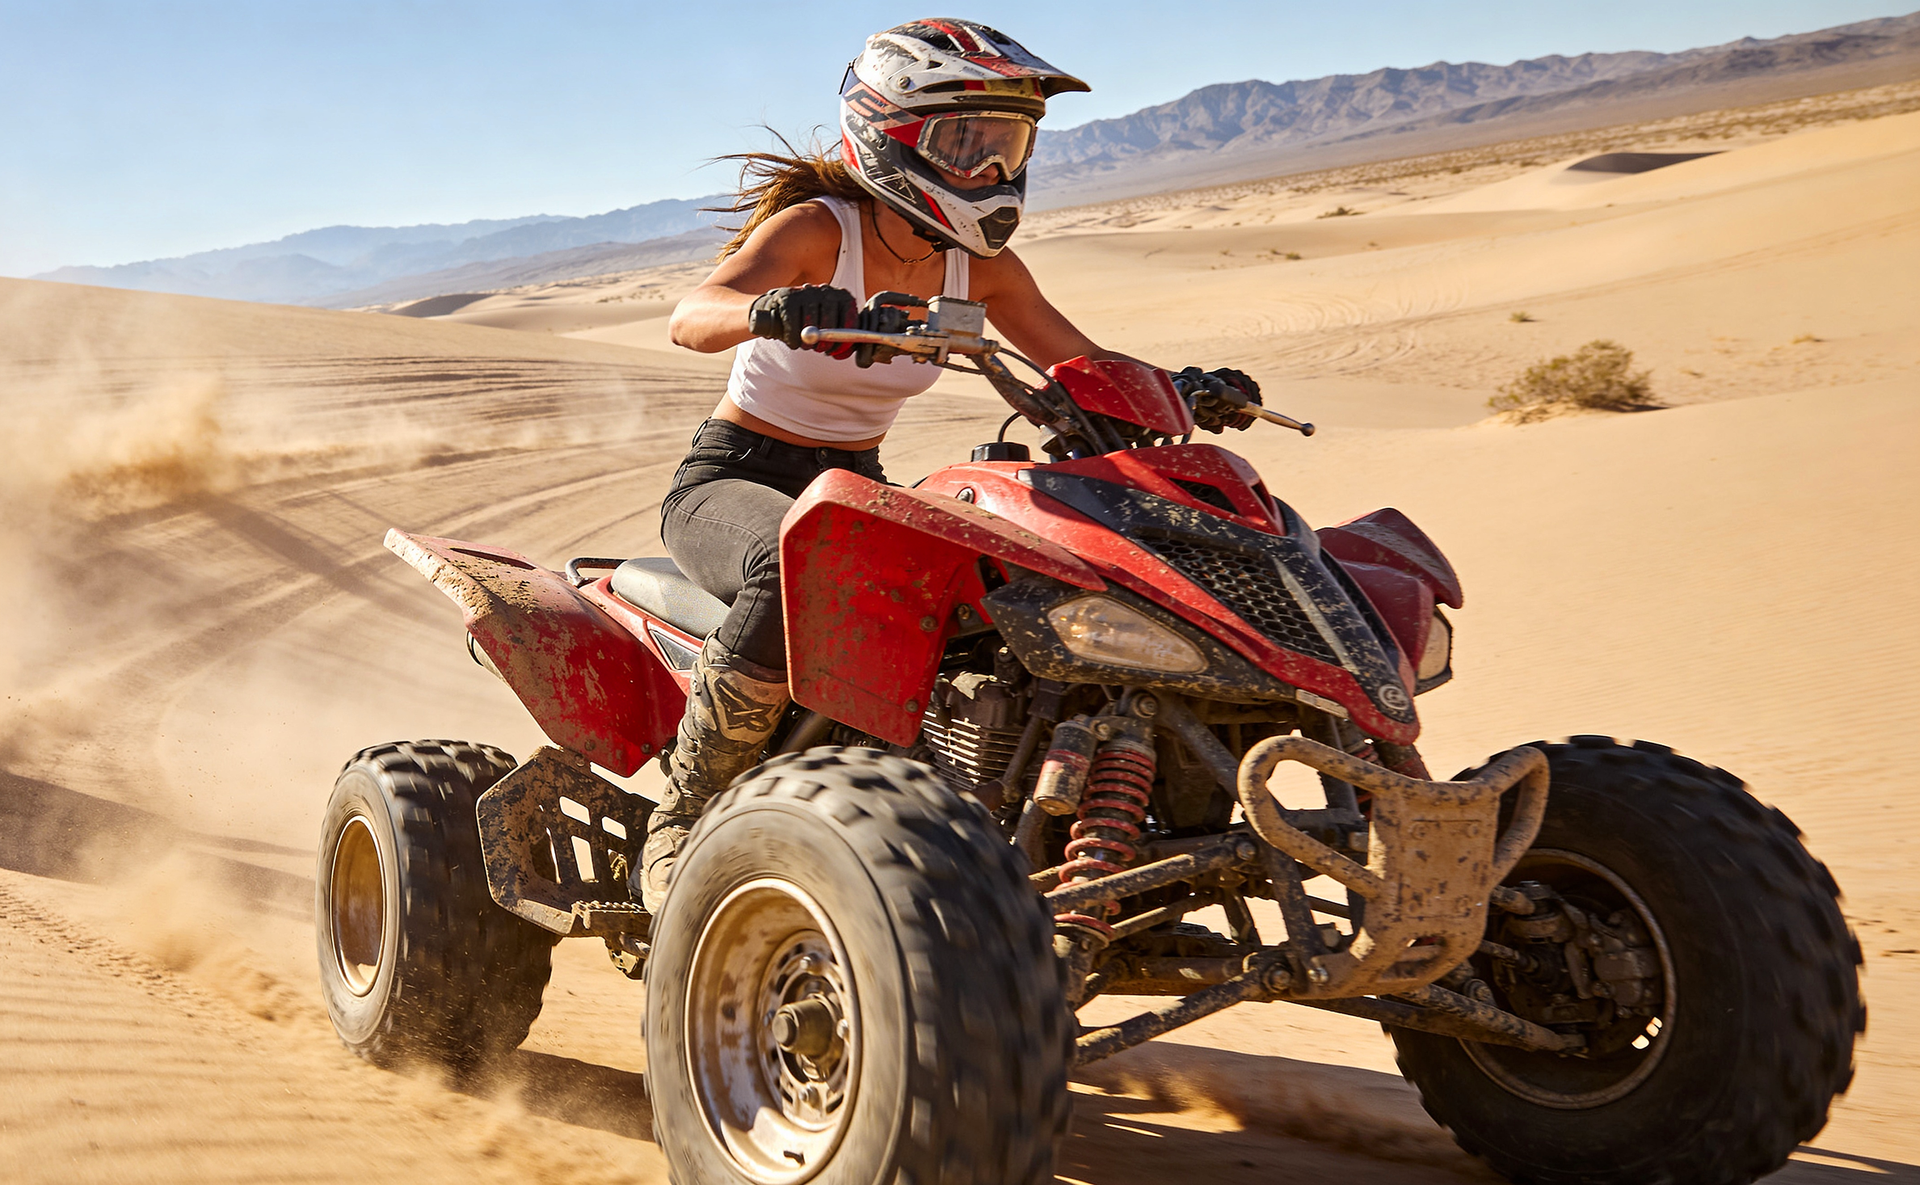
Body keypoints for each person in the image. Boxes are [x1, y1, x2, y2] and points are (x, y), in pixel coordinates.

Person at [637, 18, 1254, 911]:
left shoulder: (984, 267)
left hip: (855, 485)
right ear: (891, 135)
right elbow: (692, 315)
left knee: (984, 600)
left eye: (1007, 146)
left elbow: (1082, 368)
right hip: (738, 475)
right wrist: (773, 307)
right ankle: (683, 821)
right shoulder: (821, 228)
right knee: (794, 559)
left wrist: (1184, 392)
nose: (991, 171)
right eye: (964, 144)